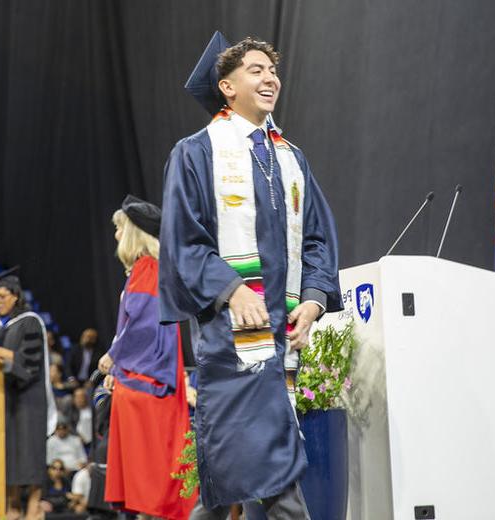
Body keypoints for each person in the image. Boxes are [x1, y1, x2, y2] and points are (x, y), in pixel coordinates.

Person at [159, 33, 341, 517]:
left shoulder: (291, 157)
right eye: (256, 70)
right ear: (227, 86)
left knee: (233, 472)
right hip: (232, 334)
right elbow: (183, 241)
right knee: (266, 466)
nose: (270, 78)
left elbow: (318, 237)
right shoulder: (197, 153)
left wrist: (315, 298)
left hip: (281, 330)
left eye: (273, 71)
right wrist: (231, 288)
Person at [98, 195, 196, 519]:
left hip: (149, 388)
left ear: (133, 232)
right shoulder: (146, 270)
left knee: (152, 485)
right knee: (150, 487)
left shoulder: (148, 269)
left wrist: (114, 357)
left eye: (119, 228)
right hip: (144, 382)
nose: (115, 236)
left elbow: (141, 326)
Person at [0, 270, 56, 520]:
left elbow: (30, 362)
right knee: (10, 458)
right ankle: (12, 508)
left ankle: (34, 508)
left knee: (29, 456)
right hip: (6, 398)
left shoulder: (30, 321)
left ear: (15, 296)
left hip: (29, 400)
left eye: (2, 296)